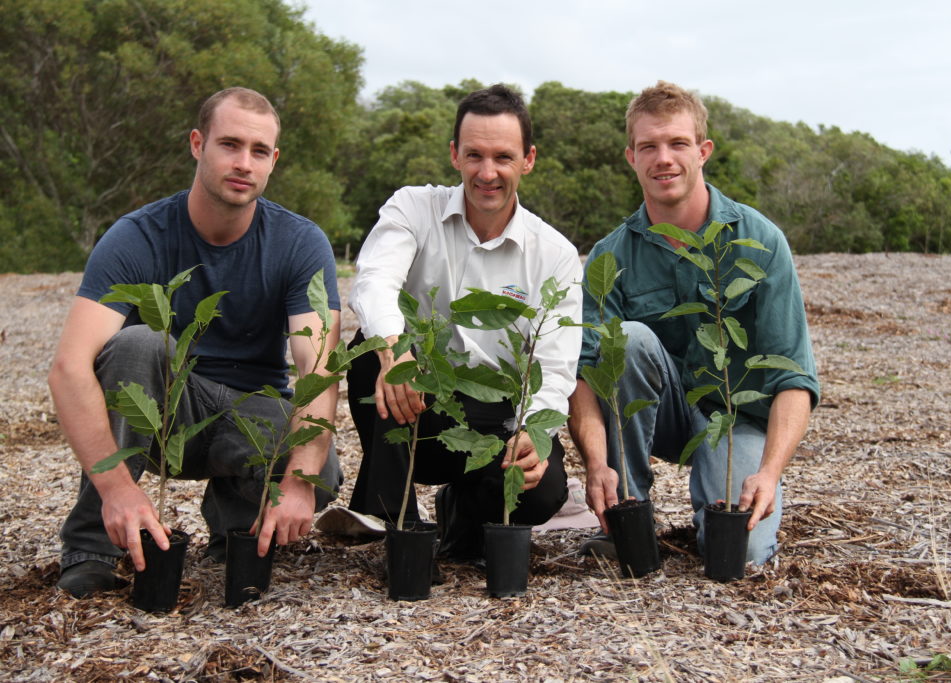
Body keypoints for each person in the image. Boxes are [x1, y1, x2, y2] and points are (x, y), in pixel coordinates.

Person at [49, 87, 342, 597]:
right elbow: (69, 367)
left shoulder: (299, 242)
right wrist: (117, 487)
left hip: (249, 413)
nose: (243, 163)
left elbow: (317, 370)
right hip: (162, 413)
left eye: (258, 151)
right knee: (138, 343)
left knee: (321, 469)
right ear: (197, 144)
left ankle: (236, 529)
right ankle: (93, 542)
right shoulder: (136, 237)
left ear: (274, 161)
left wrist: (298, 479)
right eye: (229, 144)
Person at [568, 81, 819, 564]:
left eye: (678, 143)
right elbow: (584, 374)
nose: (664, 158)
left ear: (703, 151)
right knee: (630, 340)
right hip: (660, 415)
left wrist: (768, 472)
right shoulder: (609, 256)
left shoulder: (759, 240)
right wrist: (596, 464)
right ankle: (627, 512)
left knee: (740, 553)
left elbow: (794, 375)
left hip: (737, 415)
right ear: (631, 157)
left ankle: (720, 512)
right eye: (649, 146)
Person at [347, 84, 582, 563]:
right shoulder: (414, 208)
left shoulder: (554, 254)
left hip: (498, 411)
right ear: (455, 154)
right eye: (474, 155)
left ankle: (464, 512)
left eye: (503, 157)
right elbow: (374, 283)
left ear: (528, 159)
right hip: (421, 401)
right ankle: (397, 522)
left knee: (541, 490)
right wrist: (395, 351)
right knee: (368, 352)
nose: (487, 172)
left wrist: (532, 434)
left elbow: (556, 363)